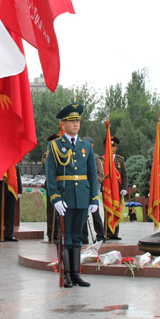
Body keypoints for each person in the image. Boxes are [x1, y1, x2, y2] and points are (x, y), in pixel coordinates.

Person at [45, 103, 99, 288]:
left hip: (82, 196)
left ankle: (76, 273)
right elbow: (50, 175)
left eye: (78, 121)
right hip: (65, 197)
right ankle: (66, 273)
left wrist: (94, 198)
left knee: (77, 236)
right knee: (65, 236)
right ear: (64, 123)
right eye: (72, 121)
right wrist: (55, 198)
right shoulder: (54, 146)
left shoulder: (86, 146)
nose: (76, 124)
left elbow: (92, 174)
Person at [81, 136, 105, 244]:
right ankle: (83, 237)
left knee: (95, 214)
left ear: (92, 145)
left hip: (92, 189)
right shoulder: (79, 157)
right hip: (82, 189)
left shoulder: (96, 158)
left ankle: (100, 236)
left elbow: (101, 175)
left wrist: (91, 181)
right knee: (82, 214)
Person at [104, 136, 127, 240]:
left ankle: (114, 233)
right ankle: (106, 233)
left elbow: (124, 175)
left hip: (117, 189)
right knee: (107, 211)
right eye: (110, 146)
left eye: (113, 146)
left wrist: (124, 188)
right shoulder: (102, 159)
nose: (112, 148)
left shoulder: (120, 160)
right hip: (107, 190)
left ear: (116, 148)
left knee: (116, 210)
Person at [0, 164, 20, 242]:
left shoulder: (13, 161)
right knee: (0, 212)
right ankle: (0, 234)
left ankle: (9, 234)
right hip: (0, 188)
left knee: (11, 212)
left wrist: (20, 190)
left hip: (12, 188)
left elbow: (17, 175)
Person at [43, 133, 61, 243]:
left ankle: (60, 233)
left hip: (62, 185)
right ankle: (51, 234)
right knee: (51, 211)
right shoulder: (47, 154)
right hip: (51, 185)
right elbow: (47, 169)